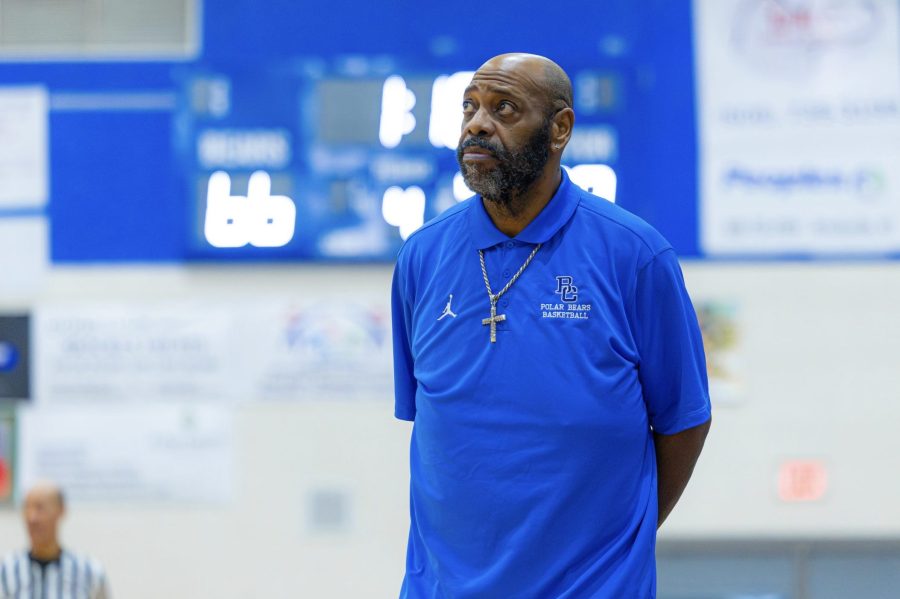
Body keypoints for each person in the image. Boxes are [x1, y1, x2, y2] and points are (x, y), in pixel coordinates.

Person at [391, 53, 711, 598]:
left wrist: (618, 540)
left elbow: (684, 420)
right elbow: (432, 428)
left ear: (560, 128)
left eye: (504, 108)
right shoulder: (421, 257)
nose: (476, 123)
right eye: (469, 107)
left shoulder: (634, 255)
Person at [1, 482, 110, 599]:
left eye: (40, 508)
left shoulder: (89, 573)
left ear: (61, 511)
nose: (32, 518)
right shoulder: (6, 571)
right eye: (27, 508)